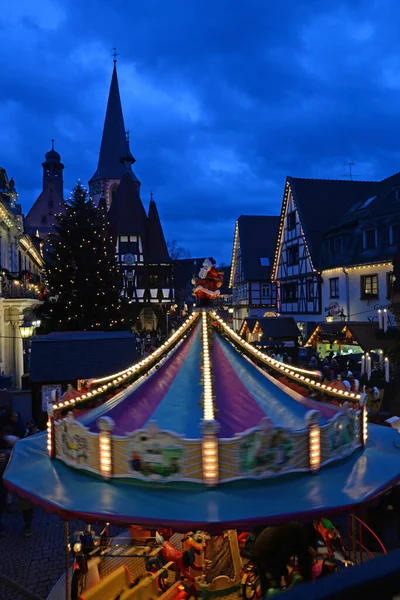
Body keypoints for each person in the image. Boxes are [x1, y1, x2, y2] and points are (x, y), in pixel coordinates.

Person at [251, 522, 313, 595]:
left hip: (258, 548)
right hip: (269, 551)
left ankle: (266, 594)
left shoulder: (291, 527)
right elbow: (303, 560)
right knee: (275, 581)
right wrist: (309, 584)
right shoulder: (300, 532)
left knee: (265, 581)